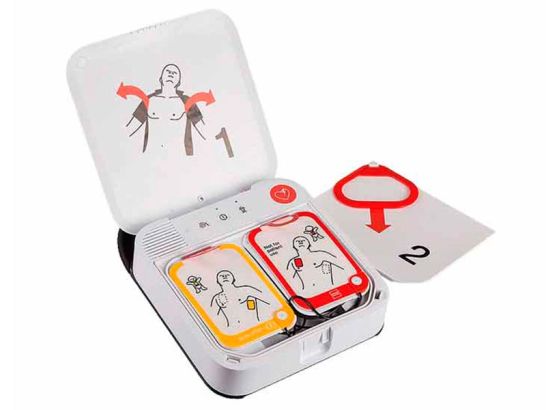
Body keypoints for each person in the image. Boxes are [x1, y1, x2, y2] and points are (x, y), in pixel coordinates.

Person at [125, 63, 204, 154]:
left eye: (174, 73)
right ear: (161, 78)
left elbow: (202, 128)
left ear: (179, 82)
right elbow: (130, 128)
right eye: (168, 72)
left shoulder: (187, 102)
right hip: (150, 155)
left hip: (179, 156)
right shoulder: (148, 100)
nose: (171, 74)